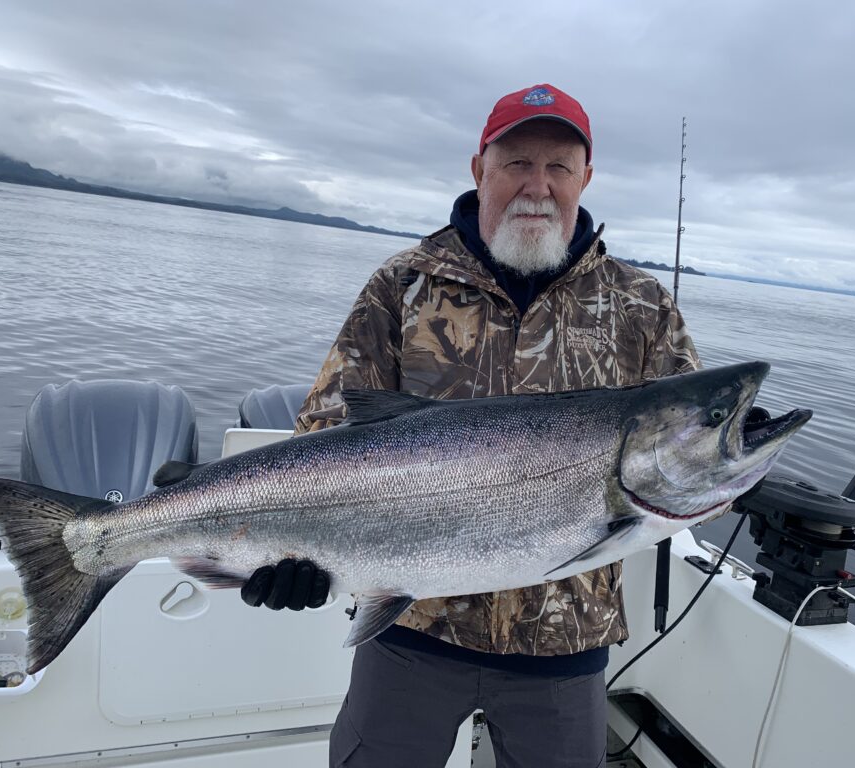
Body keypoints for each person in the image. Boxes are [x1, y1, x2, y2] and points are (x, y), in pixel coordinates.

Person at [241, 83, 700, 767]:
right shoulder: (403, 284)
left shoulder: (641, 306)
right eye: (517, 163)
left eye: (559, 166)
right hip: (410, 629)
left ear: (586, 179)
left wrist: (732, 475)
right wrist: (292, 551)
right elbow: (325, 431)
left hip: (563, 644)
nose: (538, 187)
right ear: (479, 169)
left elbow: (689, 444)